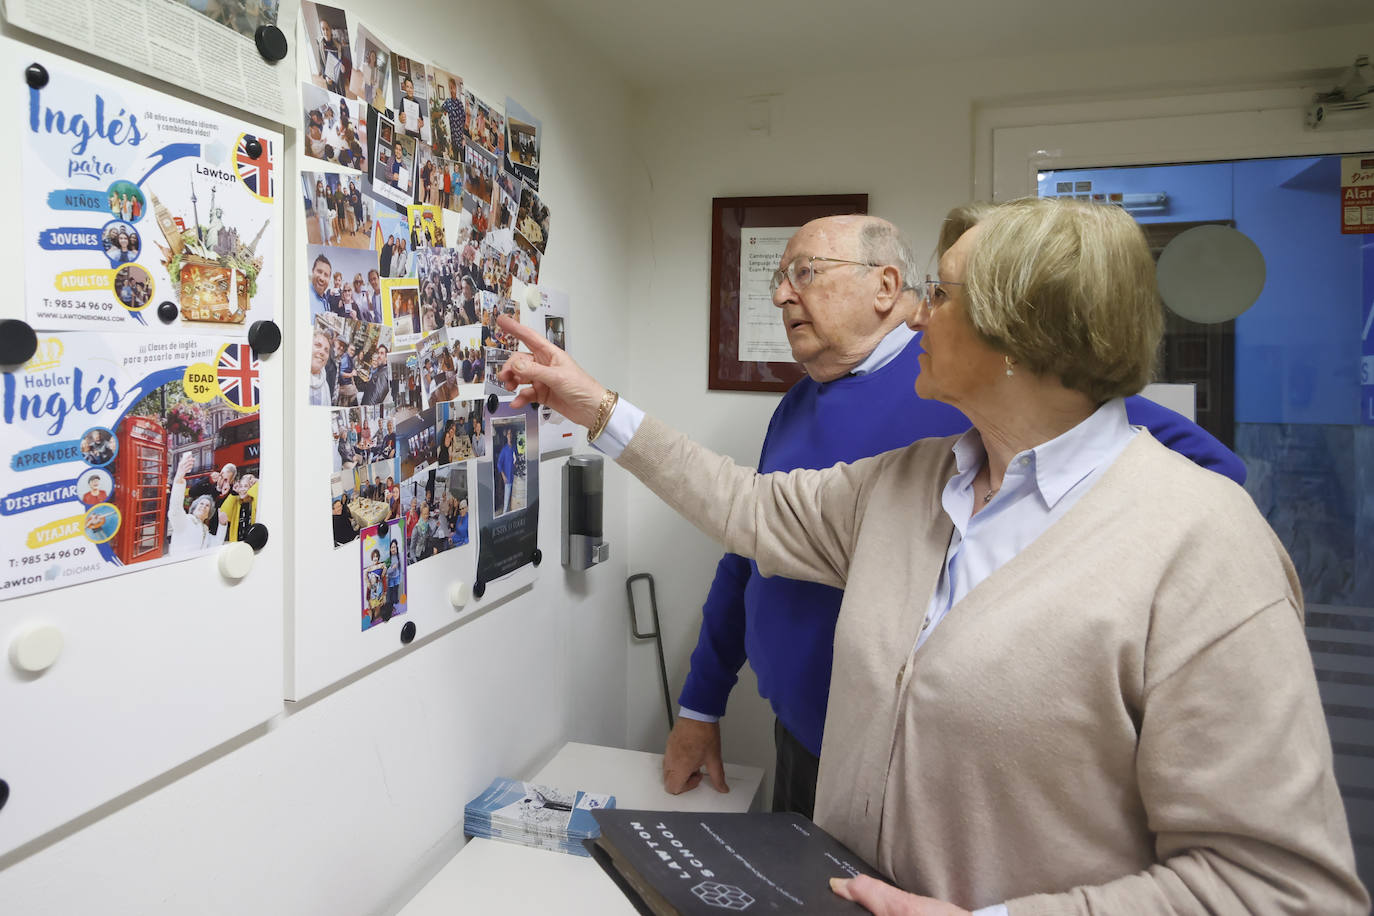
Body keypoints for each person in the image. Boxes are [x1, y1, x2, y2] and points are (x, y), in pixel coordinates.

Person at [493, 198, 1369, 914]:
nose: (918, 311)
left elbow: (1279, 890)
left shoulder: (1204, 541)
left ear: (1023, 338)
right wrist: (597, 407)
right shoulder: (908, 485)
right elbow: (747, 510)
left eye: (939, 296)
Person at [662, 211, 1249, 821]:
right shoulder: (796, 404)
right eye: (781, 276)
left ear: (885, 286)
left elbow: (1204, 467)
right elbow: (749, 545)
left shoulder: (967, 383)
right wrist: (701, 706)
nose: (783, 293)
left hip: (914, 773)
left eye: (804, 273)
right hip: (803, 741)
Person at [168, 453, 227, 556]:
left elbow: (217, 543)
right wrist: (178, 479)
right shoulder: (185, 521)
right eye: (201, 504)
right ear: (194, 508)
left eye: (207, 506)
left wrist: (222, 525)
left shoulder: (205, 530)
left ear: (209, 514)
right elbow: (175, 509)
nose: (204, 506)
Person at [496, 427, 516, 514]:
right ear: (506, 436)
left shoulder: (515, 447)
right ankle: (504, 513)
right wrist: (503, 475)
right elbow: (499, 464)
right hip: (507, 478)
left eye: (511, 434)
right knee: (506, 499)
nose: (510, 435)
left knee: (514, 498)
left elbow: (517, 459)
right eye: (508, 434)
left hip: (515, 477)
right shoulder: (504, 450)